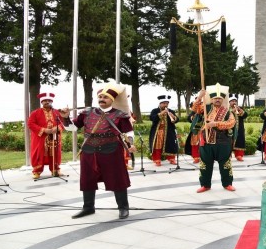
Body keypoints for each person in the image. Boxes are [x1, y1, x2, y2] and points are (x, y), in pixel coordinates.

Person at [59, 82, 136, 219]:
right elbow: (73, 128)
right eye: (100, 96)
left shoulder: (120, 115)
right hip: (89, 150)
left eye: (105, 97)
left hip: (112, 150)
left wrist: (130, 143)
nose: (102, 99)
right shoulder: (87, 113)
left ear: (112, 100)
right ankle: (88, 208)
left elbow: (129, 132)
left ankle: (123, 207)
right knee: (87, 179)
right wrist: (65, 118)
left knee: (117, 179)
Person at [193, 84, 236, 193]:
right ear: (211, 99)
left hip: (223, 142)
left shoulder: (227, 111)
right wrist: (199, 96)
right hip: (206, 141)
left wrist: (215, 124)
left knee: (225, 164)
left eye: (219, 98)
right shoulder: (205, 108)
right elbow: (194, 108)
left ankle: (227, 184)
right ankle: (205, 185)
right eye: (215, 98)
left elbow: (231, 123)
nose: (217, 100)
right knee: (205, 164)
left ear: (222, 100)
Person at [27, 91, 65, 179]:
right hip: (40, 138)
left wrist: (58, 127)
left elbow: (63, 122)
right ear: (42, 102)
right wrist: (44, 130)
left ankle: (55, 169)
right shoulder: (35, 113)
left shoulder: (57, 112)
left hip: (54, 137)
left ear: (52, 102)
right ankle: (37, 171)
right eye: (45, 100)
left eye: (49, 100)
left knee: (54, 153)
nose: (47, 102)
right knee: (39, 153)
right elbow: (30, 124)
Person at [149, 94, 179, 167]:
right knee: (157, 145)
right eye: (164, 103)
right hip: (158, 131)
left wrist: (173, 117)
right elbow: (152, 118)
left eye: (167, 103)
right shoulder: (155, 110)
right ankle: (157, 160)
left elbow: (177, 120)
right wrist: (161, 113)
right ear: (160, 103)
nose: (166, 105)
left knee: (171, 144)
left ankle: (171, 159)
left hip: (169, 131)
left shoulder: (171, 111)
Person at [229, 94, 248, 161]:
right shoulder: (226, 108)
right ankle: (228, 156)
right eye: (232, 101)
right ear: (229, 102)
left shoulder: (240, 109)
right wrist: (232, 111)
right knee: (228, 141)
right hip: (229, 128)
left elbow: (245, 115)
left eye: (235, 101)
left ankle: (239, 155)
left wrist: (240, 110)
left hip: (239, 128)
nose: (234, 102)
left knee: (239, 140)